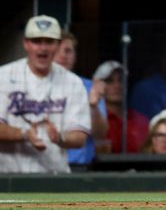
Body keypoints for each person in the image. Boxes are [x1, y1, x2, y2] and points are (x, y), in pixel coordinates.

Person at [0, 15, 91, 173]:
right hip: (8, 175)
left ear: (57, 45)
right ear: (26, 43)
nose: (43, 48)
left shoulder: (73, 82)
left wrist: (60, 137)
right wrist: (24, 134)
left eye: (49, 41)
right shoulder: (4, 76)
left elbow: (79, 137)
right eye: (37, 41)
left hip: (54, 175)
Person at [54, 31, 109, 167]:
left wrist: (93, 106)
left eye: (68, 51)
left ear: (75, 56)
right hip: (44, 164)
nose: (63, 56)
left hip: (79, 166)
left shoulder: (88, 87)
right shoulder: (36, 85)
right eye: (57, 51)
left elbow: (100, 134)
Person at [92, 60, 150, 153]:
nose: (117, 85)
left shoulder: (141, 120)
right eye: (109, 81)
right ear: (97, 85)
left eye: (121, 80)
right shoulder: (93, 119)